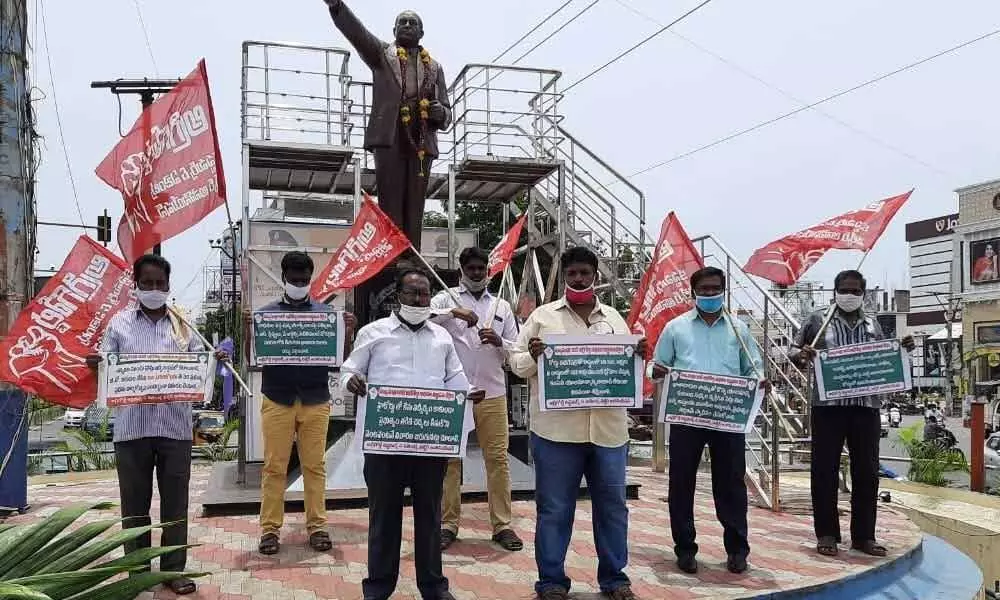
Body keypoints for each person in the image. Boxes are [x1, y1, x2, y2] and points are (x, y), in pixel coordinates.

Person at [86, 254, 228, 596]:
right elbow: (107, 372)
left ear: (168, 286)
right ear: (136, 286)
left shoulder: (185, 324)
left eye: (159, 283)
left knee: (175, 506)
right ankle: (137, 571)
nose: (153, 289)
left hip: (175, 429)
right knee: (134, 507)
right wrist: (97, 366)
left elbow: (199, 367)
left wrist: (213, 361)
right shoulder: (118, 324)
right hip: (131, 430)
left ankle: (172, 570)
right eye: (146, 283)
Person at [510, 246, 646, 600]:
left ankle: (615, 579)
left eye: (585, 273)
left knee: (613, 508)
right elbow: (516, 363)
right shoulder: (542, 317)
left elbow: (627, 372)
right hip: (556, 432)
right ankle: (551, 581)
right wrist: (534, 356)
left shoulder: (615, 318)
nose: (579, 279)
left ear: (595, 277)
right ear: (565, 278)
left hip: (609, 432)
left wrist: (638, 354)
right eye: (572, 274)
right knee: (554, 509)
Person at [341, 269, 469, 600]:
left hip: (429, 443)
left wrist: (469, 392)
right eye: (412, 293)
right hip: (384, 443)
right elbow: (349, 369)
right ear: (398, 295)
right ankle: (378, 588)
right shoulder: (373, 333)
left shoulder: (442, 337)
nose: (419, 299)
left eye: (424, 294)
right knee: (384, 518)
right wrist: (351, 381)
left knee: (429, 517)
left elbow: (455, 377)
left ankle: (434, 587)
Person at [651, 266, 769, 575]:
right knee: (681, 484)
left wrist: (760, 382)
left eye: (715, 288)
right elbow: (657, 364)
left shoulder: (739, 329)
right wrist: (658, 371)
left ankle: (737, 549)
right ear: (693, 292)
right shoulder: (675, 328)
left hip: (727, 419)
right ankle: (685, 549)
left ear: (723, 290)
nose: (709, 294)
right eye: (703, 289)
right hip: (686, 417)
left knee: (731, 484)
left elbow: (753, 369)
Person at [789, 270, 914, 558]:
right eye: (844, 290)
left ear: (863, 292)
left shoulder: (874, 322)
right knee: (824, 471)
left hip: (866, 406)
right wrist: (802, 354)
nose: (849, 295)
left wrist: (903, 348)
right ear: (835, 291)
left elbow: (886, 355)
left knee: (868, 473)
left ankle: (863, 537)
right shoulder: (817, 319)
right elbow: (794, 351)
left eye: (855, 291)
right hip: (828, 408)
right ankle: (828, 534)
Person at [322, 0, 451, 249]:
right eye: (402, 22)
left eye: (413, 23)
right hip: (390, 135)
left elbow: (447, 110)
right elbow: (357, 34)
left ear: (421, 32)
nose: (407, 25)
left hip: (422, 138)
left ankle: (412, 255)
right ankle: (389, 256)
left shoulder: (435, 67)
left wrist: (440, 113)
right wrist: (337, 6)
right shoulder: (382, 55)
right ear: (393, 31)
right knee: (390, 200)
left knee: (415, 203)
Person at [255, 251, 357, 556]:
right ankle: (270, 530)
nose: (299, 283)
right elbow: (255, 358)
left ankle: (317, 527)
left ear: (309, 279)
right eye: (294, 279)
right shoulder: (266, 315)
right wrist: (249, 330)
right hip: (277, 397)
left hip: (315, 399)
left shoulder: (327, 317)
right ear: (284, 279)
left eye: (303, 279)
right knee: (274, 467)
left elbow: (340, 360)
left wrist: (347, 331)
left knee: (315, 466)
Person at [430, 247, 523, 551]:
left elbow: (518, 350)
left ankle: (502, 525)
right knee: (450, 462)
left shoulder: (502, 307)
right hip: (454, 394)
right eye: (470, 268)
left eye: (480, 268)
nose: (475, 272)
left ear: (488, 270)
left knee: (497, 461)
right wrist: (453, 313)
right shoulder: (446, 299)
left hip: (494, 394)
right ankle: (447, 524)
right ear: (461, 270)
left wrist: (501, 341)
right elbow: (421, 316)